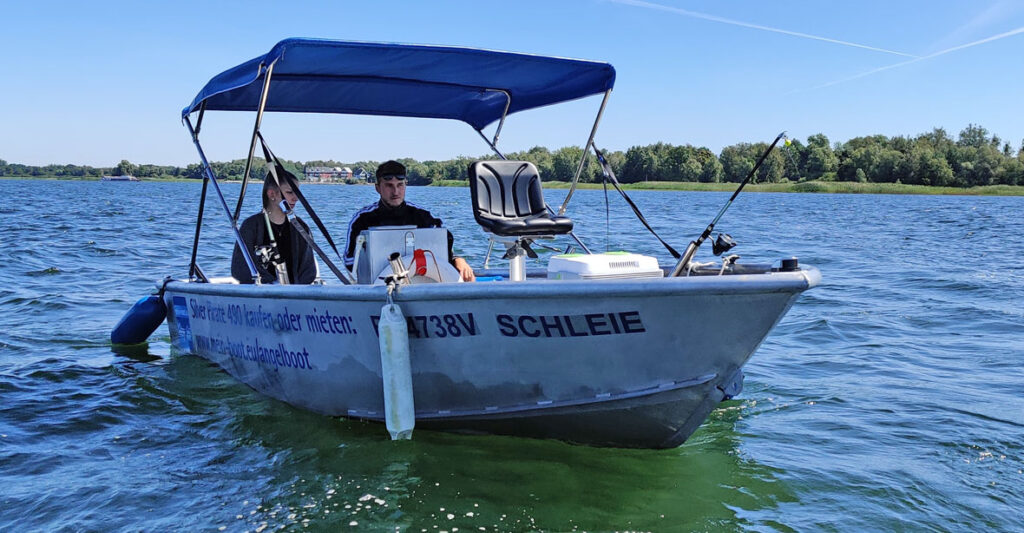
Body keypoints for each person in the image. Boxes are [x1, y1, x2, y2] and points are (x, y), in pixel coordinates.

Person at [344, 160, 475, 281]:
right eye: (389, 185)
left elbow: (445, 252)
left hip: (421, 286)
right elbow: (349, 263)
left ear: (405, 185)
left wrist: (458, 260)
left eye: (400, 185)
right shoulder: (362, 220)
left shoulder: (424, 217)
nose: (395, 191)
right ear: (378, 188)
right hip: (377, 287)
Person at [231, 174, 319, 284]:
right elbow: (240, 268)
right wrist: (271, 284)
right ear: (272, 194)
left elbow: (308, 269)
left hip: (295, 295)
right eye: (290, 192)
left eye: (297, 192)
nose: (296, 198)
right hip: (261, 294)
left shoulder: (300, 227)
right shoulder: (251, 227)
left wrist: (295, 290)